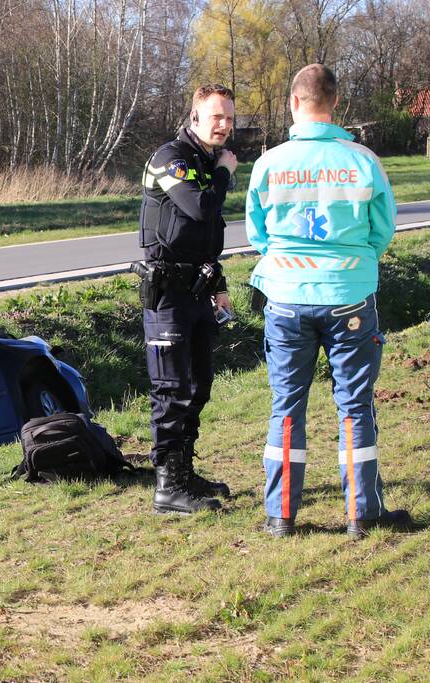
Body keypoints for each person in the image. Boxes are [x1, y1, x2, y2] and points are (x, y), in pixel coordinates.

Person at [245, 63, 411, 538]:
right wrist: (354, 262)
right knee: (355, 406)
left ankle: (280, 515)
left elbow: (259, 235)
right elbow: (382, 231)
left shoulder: (269, 163)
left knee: (287, 404)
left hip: (286, 298)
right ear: (334, 103)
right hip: (350, 296)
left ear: (294, 102)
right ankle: (363, 514)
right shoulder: (362, 160)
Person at [136, 84, 238, 514]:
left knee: (198, 386)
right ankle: (167, 488)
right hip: (167, 295)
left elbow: (205, 235)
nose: (225, 125)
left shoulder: (205, 161)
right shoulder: (171, 158)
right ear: (195, 116)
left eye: (230, 118)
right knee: (171, 390)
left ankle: (184, 473)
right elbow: (199, 206)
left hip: (197, 291)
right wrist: (225, 173)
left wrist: (219, 285)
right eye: (216, 116)